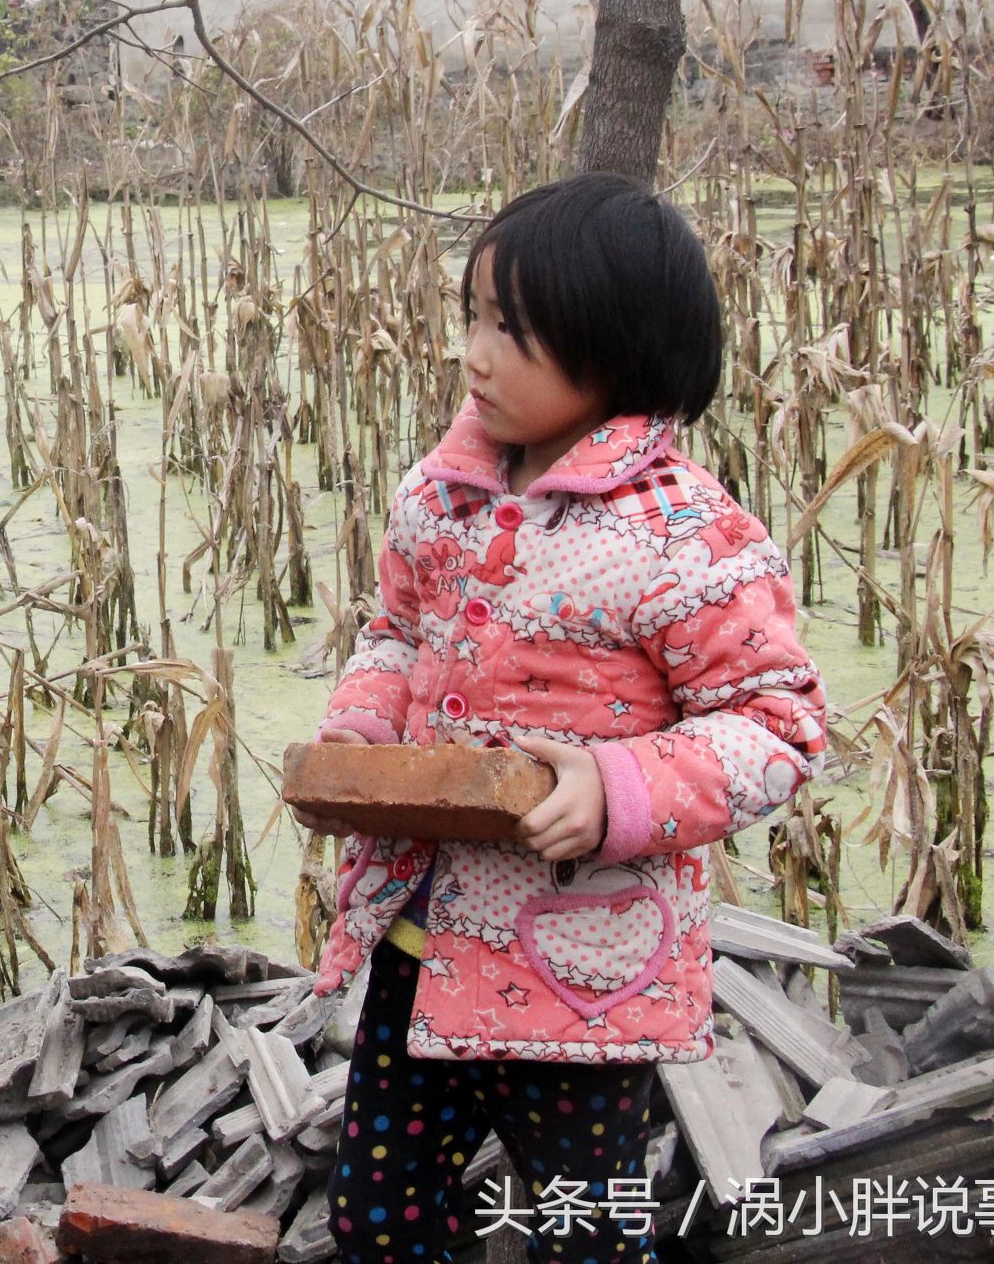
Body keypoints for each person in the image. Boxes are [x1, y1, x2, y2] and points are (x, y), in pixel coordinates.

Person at [288, 173, 827, 1264]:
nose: (476, 354)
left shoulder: (682, 534)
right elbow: (392, 637)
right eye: (475, 318)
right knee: (379, 1222)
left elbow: (779, 723)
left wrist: (616, 791)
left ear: (615, 348)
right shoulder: (438, 499)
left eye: (515, 331)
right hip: (416, 938)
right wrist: (360, 737)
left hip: (585, 977)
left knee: (585, 1228)